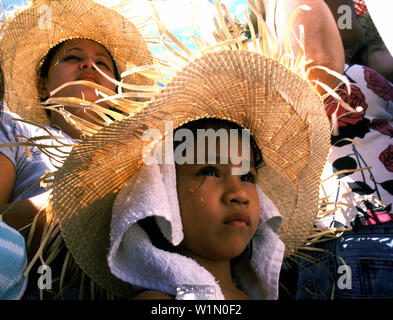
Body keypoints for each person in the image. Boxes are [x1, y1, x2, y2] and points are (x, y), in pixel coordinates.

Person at [0, 0, 153, 258]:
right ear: (42, 86)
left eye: (103, 64)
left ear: (117, 92)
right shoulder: (17, 131)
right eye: (71, 57)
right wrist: (66, 200)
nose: (89, 65)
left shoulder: (136, 154)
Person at [290, 0, 393, 299]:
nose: (354, 8)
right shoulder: (357, 76)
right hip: (370, 230)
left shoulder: (280, 95)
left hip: (324, 247)